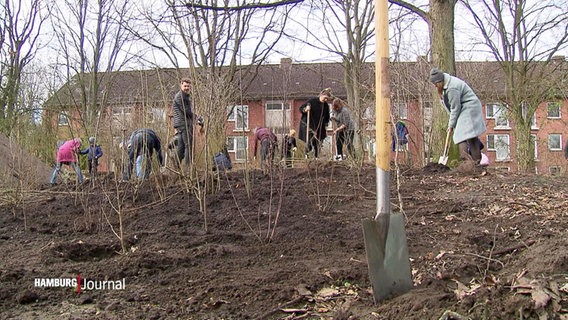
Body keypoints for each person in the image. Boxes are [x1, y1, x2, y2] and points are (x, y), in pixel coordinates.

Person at [429, 68, 486, 167]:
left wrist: (451, 125)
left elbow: (455, 108)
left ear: (440, 82)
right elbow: (450, 106)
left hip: (469, 108)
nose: (435, 86)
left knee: (461, 136)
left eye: (435, 84)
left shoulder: (452, 88)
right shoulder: (446, 84)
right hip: (465, 107)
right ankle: (476, 164)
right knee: (470, 136)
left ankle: (467, 163)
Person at [171, 78, 203, 168]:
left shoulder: (185, 96)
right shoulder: (180, 97)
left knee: (181, 147)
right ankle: (188, 168)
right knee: (189, 146)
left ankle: (175, 167)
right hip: (184, 124)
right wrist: (197, 118)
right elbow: (186, 111)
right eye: (185, 86)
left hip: (181, 124)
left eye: (188, 86)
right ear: (181, 85)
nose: (186, 88)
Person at [299, 88, 332, 159]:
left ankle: (316, 157)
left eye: (327, 99)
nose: (326, 100)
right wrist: (305, 109)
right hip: (309, 125)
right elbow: (301, 108)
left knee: (318, 142)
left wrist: (326, 125)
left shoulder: (325, 106)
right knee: (310, 141)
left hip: (319, 126)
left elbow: (326, 116)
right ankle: (306, 155)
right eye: (325, 98)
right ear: (321, 95)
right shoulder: (312, 101)